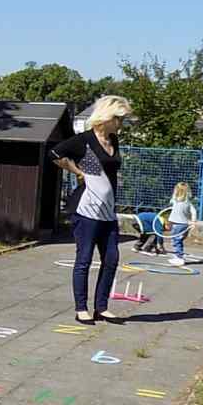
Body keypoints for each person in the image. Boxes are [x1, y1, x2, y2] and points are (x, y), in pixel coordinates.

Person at [50, 95, 129, 322]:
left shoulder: (113, 141)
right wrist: (77, 172)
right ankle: (81, 309)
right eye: (120, 119)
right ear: (108, 117)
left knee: (111, 259)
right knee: (84, 259)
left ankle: (101, 307)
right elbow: (54, 154)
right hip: (86, 210)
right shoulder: (84, 140)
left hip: (108, 211)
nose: (121, 124)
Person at [166, 182, 195, 266]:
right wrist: (193, 222)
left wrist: (193, 222)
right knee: (178, 240)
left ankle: (179, 257)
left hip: (177, 224)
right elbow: (194, 212)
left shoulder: (175, 200)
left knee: (176, 241)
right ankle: (178, 256)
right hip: (184, 224)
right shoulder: (187, 202)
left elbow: (171, 202)